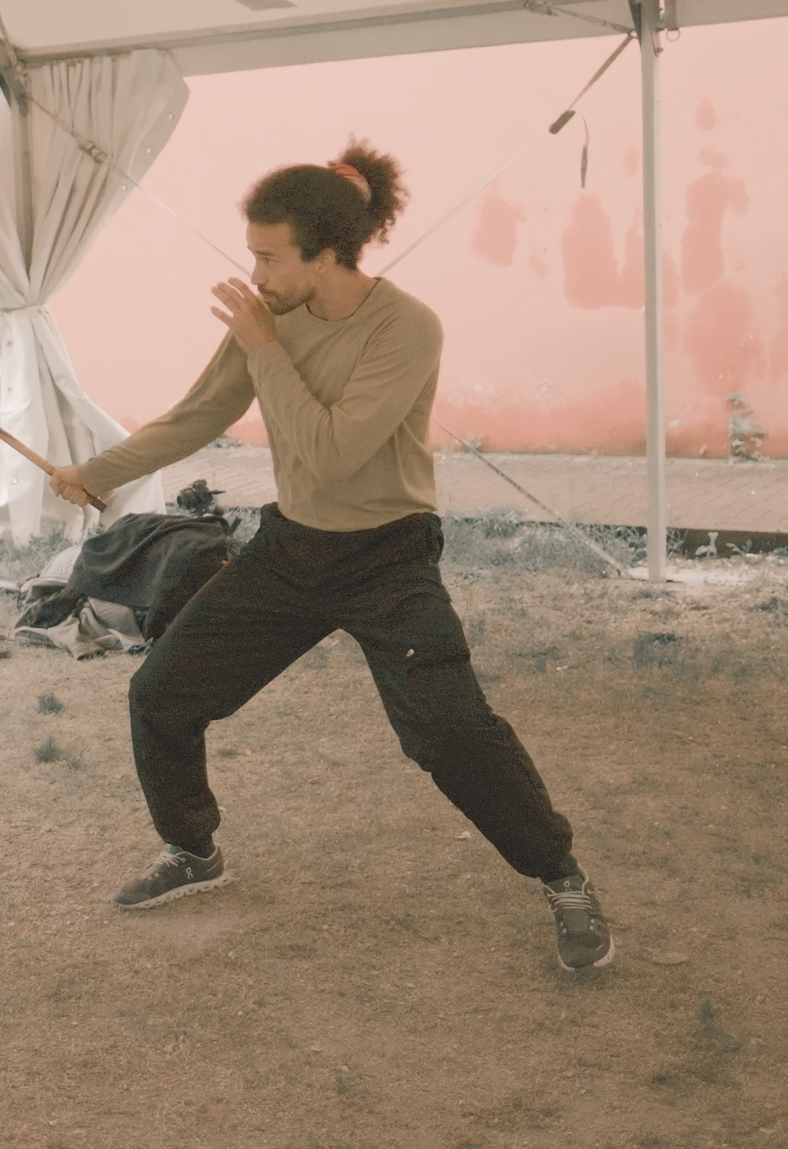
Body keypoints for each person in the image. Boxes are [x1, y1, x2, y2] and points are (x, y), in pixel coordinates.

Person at [51, 142, 614, 971]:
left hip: (387, 557)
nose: (256, 273)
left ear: (326, 253)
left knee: (448, 731)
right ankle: (194, 850)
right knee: (160, 693)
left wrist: (265, 347)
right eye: (253, 253)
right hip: (291, 550)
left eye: (271, 257)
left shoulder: (406, 327)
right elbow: (198, 415)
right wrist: (93, 474)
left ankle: (561, 877)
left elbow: (335, 452)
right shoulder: (267, 316)